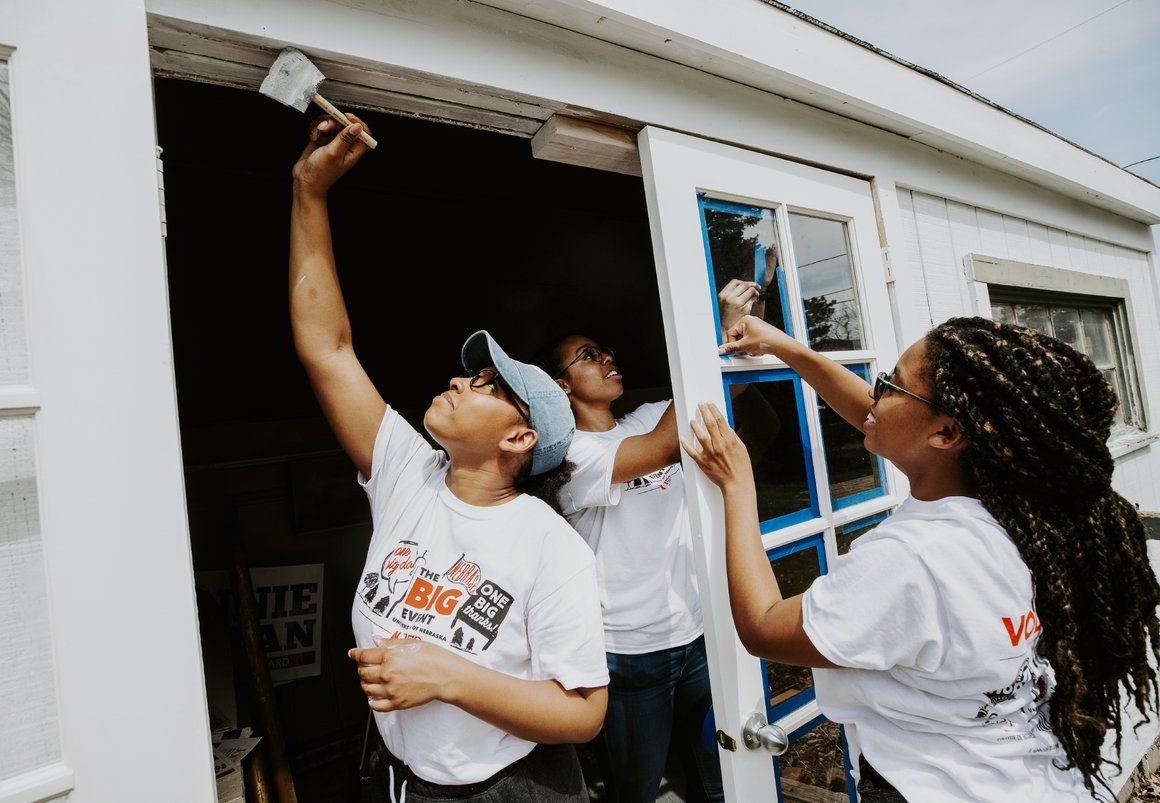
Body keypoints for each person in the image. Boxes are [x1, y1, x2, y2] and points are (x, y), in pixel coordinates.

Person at [681, 314, 1160, 802]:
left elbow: (764, 626)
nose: (875, 392)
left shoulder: (911, 560)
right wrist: (791, 350)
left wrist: (737, 486)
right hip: (1035, 780)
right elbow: (887, 417)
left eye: (890, 384)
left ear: (947, 434)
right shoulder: (1031, 513)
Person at [289, 113, 609, 803]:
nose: (462, 380)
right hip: (406, 783)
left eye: (489, 386)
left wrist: (447, 675)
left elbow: (584, 712)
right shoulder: (410, 473)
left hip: (510, 790)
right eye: (470, 373)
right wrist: (308, 196)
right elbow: (328, 348)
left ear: (519, 439)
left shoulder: (550, 547)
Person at [537, 333, 724, 803]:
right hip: (630, 655)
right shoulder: (569, 456)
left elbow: (716, 397)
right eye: (588, 356)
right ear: (562, 385)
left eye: (606, 350)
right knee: (637, 788)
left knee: (721, 774)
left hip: (696, 636)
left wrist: (740, 329)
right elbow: (662, 447)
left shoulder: (642, 419)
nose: (607, 357)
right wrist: (709, 336)